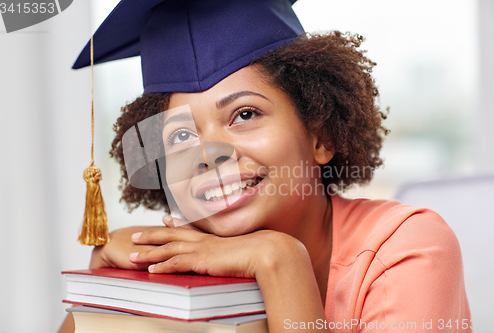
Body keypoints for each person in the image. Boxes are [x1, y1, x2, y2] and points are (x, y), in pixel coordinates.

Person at [59, 1, 471, 332]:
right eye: (180, 136)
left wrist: (279, 262)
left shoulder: (407, 247)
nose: (208, 153)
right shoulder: (174, 269)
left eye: (244, 114)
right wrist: (117, 291)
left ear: (320, 134)